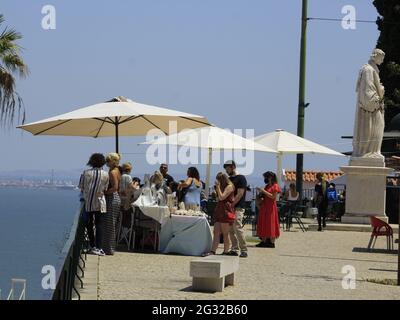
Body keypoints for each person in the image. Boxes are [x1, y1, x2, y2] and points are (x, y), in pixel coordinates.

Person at [79, 153, 109, 256]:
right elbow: (105, 189)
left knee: (89, 224)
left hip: (88, 202)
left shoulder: (85, 173)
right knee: (99, 225)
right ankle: (99, 247)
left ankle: (92, 245)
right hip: (100, 202)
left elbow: (81, 187)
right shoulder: (105, 174)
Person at [203, 173, 236, 256]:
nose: (217, 181)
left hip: (226, 210)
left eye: (218, 179)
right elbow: (218, 198)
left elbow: (222, 197)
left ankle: (225, 251)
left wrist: (218, 188)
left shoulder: (229, 186)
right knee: (216, 231)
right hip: (219, 210)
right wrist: (217, 190)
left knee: (225, 233)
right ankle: (213, 251)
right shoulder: (221, 187)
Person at [223, 160, 248, 258]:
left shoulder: (241, 178)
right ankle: (234, 248)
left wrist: (232, 204)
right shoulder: (229, 179)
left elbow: (240, 193)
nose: (226, 170)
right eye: (225, 168)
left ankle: (244, 249)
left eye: (227, 168)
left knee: (237, 227)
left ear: (233, 167)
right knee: (230, 229)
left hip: (238, 206)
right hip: (230, 207)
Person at [256, 171, 281, 248]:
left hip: (270, 207)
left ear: (270, 177)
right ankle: (264, 241)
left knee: (271, 223)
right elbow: (265, 195)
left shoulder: (275, 186)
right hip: (264, 206)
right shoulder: (267, 186)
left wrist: (263, 191)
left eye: (266, 177)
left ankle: (271, 242)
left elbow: (273, 197)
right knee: (264, 223)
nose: (265, 179)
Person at [103, 153, 122, 255]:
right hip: (115, 198)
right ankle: (109, 247)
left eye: (108, 161)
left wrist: (104, 192)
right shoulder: (118, 170)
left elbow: (114, 187)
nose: (106, 163)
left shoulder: (112, 172)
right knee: (111, 224)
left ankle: (109, 248)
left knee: (109, 224)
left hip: (112, 198)